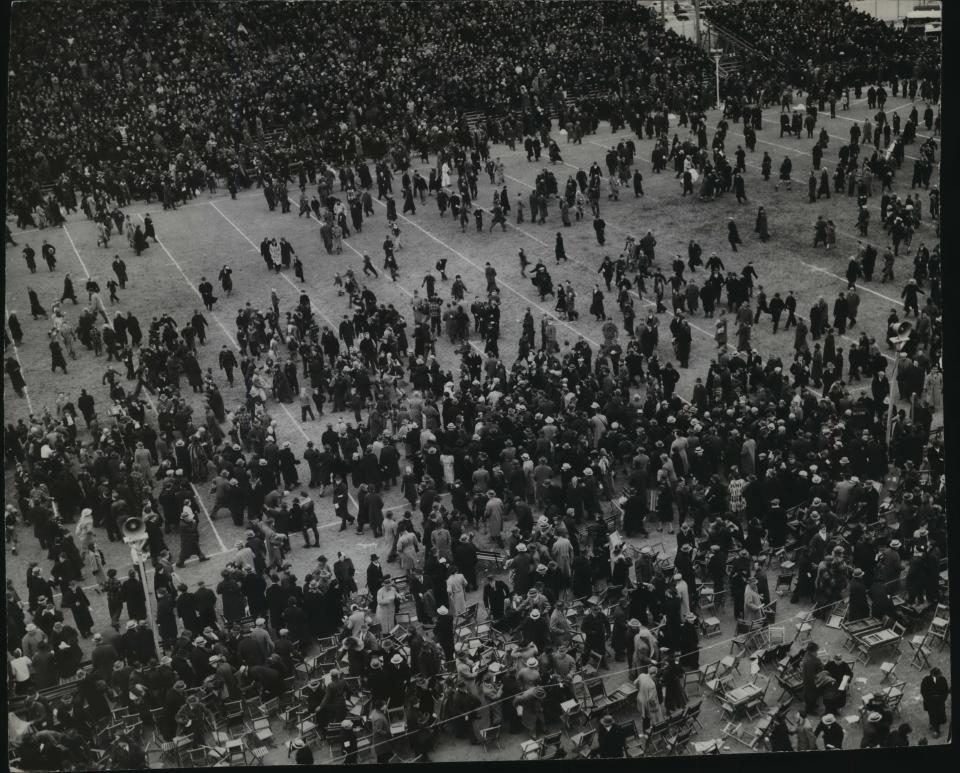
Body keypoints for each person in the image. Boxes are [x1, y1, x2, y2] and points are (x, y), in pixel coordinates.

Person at [920, 667, 950, 738]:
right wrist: (931, 698)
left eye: (940, 674)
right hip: (930, 703)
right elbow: (923, 691)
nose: (940, 675)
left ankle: (936, 726)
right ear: (933, 675)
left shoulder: (942, 679)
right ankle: (935, 729)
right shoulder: (926, 680)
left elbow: (945, 691)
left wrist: (941, 698)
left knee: (939, 715)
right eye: (939, 675)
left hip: (939, 702)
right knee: (932, 714)